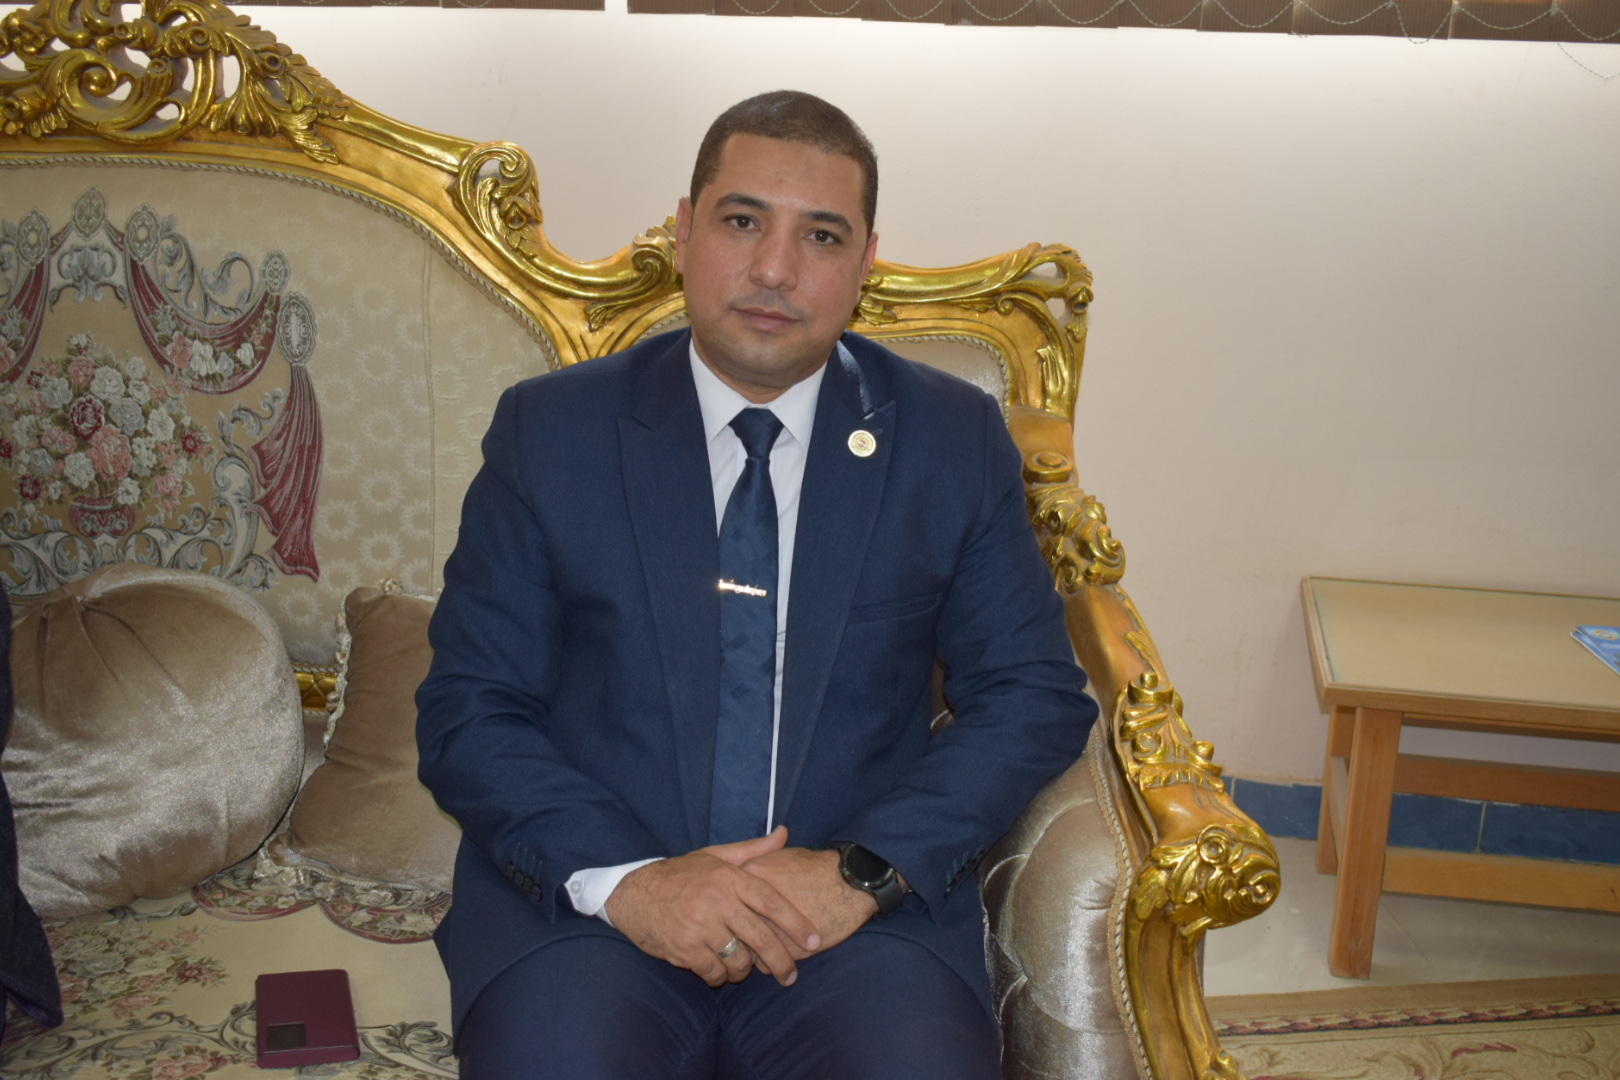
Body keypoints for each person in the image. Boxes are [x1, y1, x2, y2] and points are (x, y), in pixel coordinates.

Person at [416, 90, 1098, 1079]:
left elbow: (1031, 695)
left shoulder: (948, 441)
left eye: (821, 236)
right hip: (597, 917)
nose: (776, 270)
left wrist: (861, 872)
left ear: (865, 264)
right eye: (742, 222)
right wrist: (635, 883)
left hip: (851, 921)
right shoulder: (551, 433)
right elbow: (470, 708)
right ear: (683, 231)